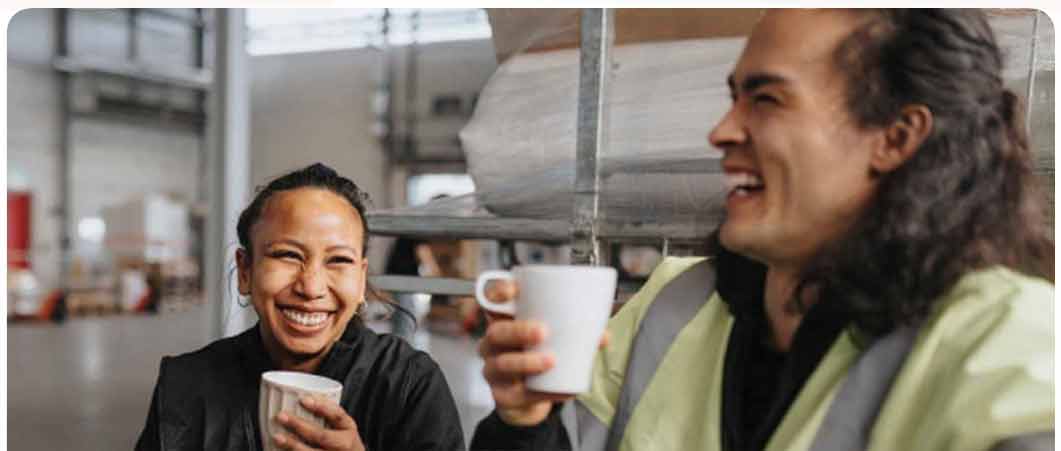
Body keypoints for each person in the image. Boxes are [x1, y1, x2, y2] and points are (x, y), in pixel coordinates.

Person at [471, 9, 1053, 451]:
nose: (721, 131)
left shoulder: (1010, 342)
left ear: (896, 137)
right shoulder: (674, 305)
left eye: (766, 99)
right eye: (732, 98)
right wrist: (525, 423)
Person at [136, 163, 465, 450]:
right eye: (287, 255)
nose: (311, 287)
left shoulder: (408, 385)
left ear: (361, 278)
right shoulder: (185, 384)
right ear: (246, 270)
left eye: (338, 260)